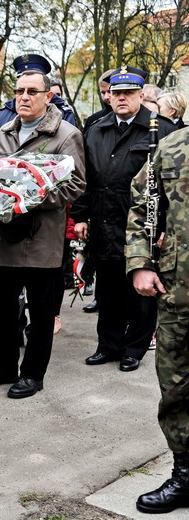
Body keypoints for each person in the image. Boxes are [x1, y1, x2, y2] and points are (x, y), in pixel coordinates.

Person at [0, 68, 86, 398]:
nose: (23, 97)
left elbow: (76, 184)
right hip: (4, 234)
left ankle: (33, 374)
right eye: (19, 90)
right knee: (2, 306)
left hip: (40, 237)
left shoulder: (65, 134)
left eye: (32, 91)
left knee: (40, 309)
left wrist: (29, 198)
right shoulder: (5, 130)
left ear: (48, 96)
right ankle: (3, 366)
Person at [72, 66, 175, 372]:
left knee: (140, 291)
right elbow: (85, 177)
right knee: (107, 288)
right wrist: (80, 216)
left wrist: (167, 227)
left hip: (142, 225)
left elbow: (171, 184)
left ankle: (134, 348)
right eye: (116, 93)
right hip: (103, 219)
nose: (121, 99)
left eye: (128, 93)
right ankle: (108, 344)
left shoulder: (162, 130)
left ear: (141, 95)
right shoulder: (96, 129)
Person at [128, 125, 189, 514]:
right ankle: (186, 474)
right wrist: (140, 264)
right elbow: (141, 206)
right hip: (178, 292)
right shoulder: (171, 146)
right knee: (176, 386)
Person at [0, 54, 76, 145]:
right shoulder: (1, 116)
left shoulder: (63, 114)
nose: (25, 97)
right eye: (20, 90)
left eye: (32, 91)